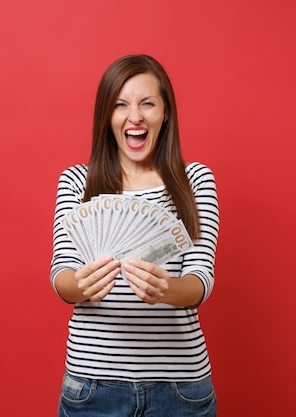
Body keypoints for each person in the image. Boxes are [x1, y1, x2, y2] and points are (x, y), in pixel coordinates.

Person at [50, 54, 219, 417]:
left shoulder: (196, 181)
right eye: (121, 105)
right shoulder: (77, 181)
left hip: (180, 386)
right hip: (92, 384)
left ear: (166, 113)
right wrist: (83, 285)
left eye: (147, 104)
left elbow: (201, 279)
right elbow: (61, 275)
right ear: (107, 117)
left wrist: (166, 290)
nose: (135, 116)